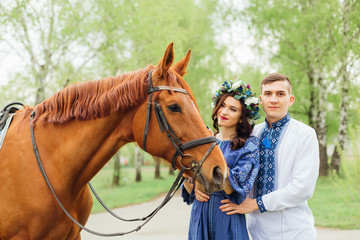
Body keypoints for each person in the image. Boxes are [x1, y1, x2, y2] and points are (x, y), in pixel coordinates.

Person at [220, 73, 320, 240]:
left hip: (295, 232)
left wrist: (255, 204)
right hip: (256, 232)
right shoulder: (251, 134)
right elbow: (231, 169)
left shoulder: (305, 134)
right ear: (261, 100)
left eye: (280, 94)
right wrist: (199, 188)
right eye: (268, 94)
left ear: (291, 99)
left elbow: (303, 188)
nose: (273, 99)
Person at [182, 78, 261, 240]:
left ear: (241, 117)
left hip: (226, 216)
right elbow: (189, 189)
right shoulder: (202, 139)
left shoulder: (249, 146)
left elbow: (233, 189)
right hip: (199, 214)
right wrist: (191, 179)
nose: (224, 112)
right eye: (222, 105)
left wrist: (211, 148)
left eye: (233, 109)